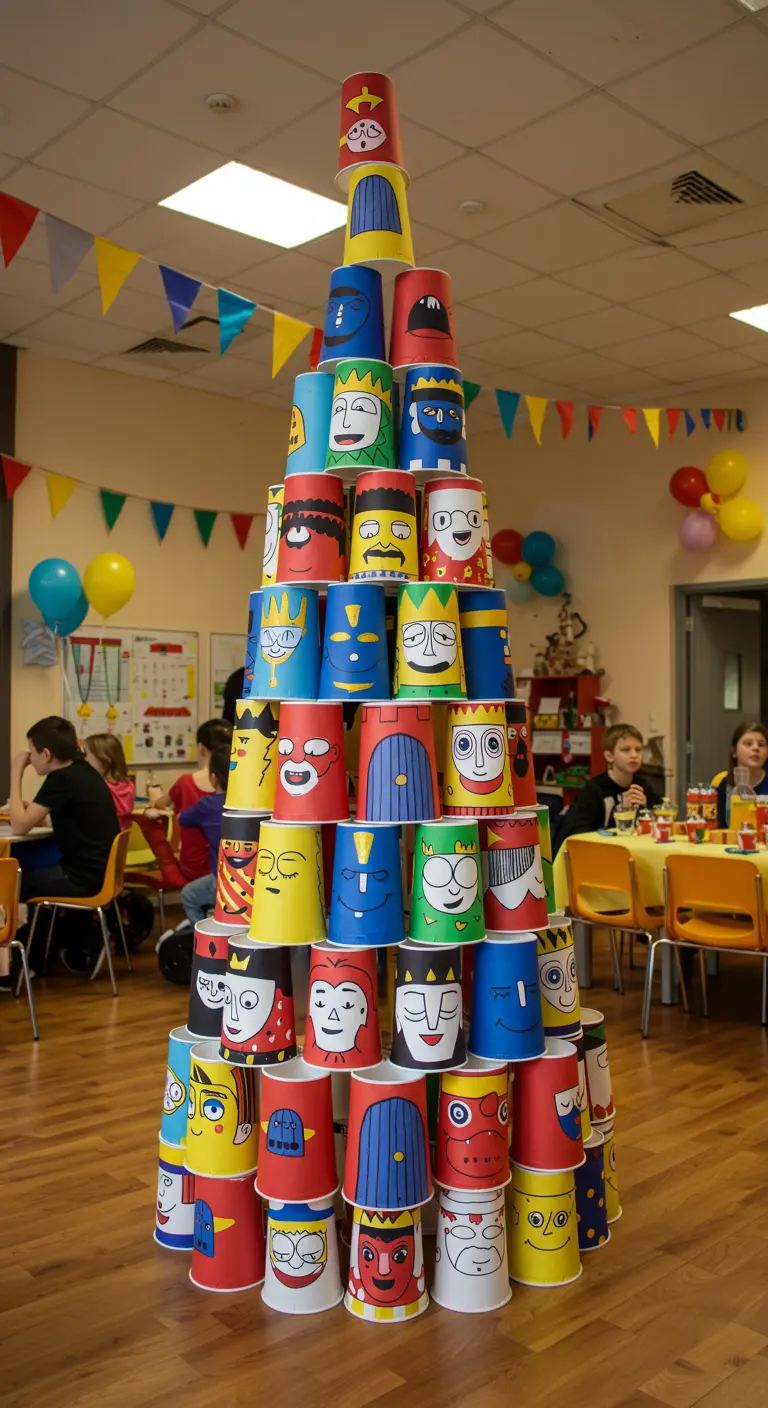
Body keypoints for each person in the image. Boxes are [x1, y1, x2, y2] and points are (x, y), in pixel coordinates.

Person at [554, 723, 663, 851]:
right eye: (626, 750)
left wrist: (647, 811)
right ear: (609, 756)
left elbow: (661, 817)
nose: (634, 755)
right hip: (598, 855)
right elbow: (580, 835)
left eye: (638, 750)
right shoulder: (594, 789)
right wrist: (622, 812)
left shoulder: (643, 785)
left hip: (633, 852)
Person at [147, 718, 232, 881]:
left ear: (201, 748)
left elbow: (160, 804)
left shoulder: (186, 782)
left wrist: (157, 798)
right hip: (230, 865)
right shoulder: (240, 783)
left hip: (195, 868)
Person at [177, 745, 228, 927]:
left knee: (189, 894)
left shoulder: (207, 805)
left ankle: (201, 934)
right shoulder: (250, 804)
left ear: (213, 779)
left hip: (221, 880)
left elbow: (183, 819)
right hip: (252, 879)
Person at [716, 720, 768, 827]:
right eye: (748, 744)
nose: (755, 748)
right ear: (734, 752)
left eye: (761, 745)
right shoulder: (723, 785)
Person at [83, 733, 136, 831]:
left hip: (103, 841)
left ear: (103, 759)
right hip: (119, 843)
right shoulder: (129, 785)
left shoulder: (99, 788)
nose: (83, 759)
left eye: (86, 754)